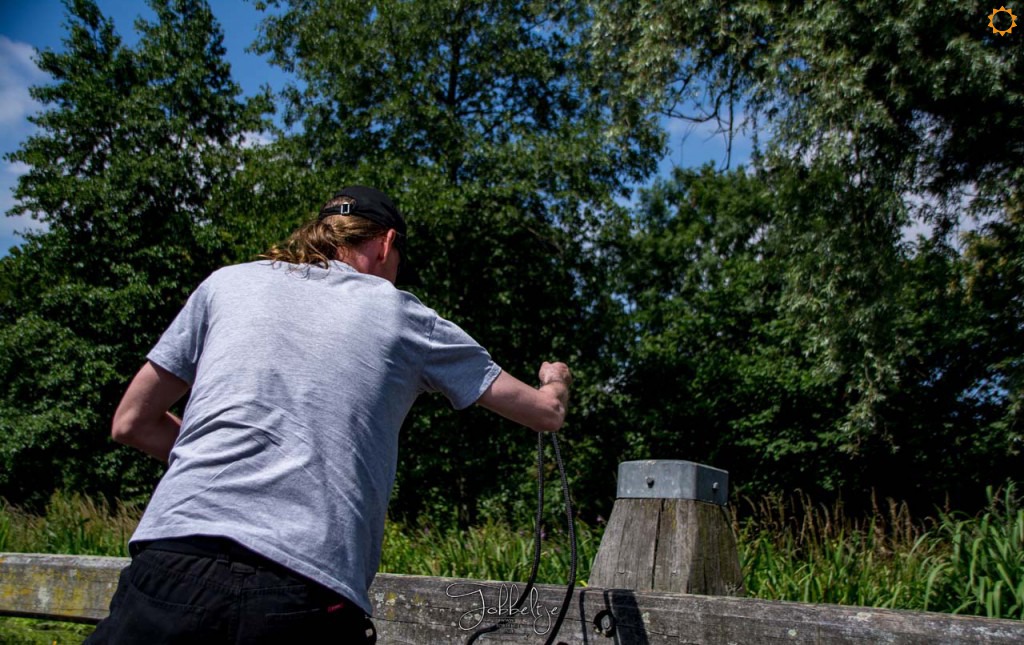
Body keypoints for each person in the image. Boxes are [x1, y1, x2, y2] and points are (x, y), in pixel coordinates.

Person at [86, 186, 572, 644]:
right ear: (386, 244)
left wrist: (229, 455)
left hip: (172, 561)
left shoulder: (226, 284)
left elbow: (131, 422)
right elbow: (544, 413)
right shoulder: (402, 314)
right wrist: (555, 379)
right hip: (302, 588)